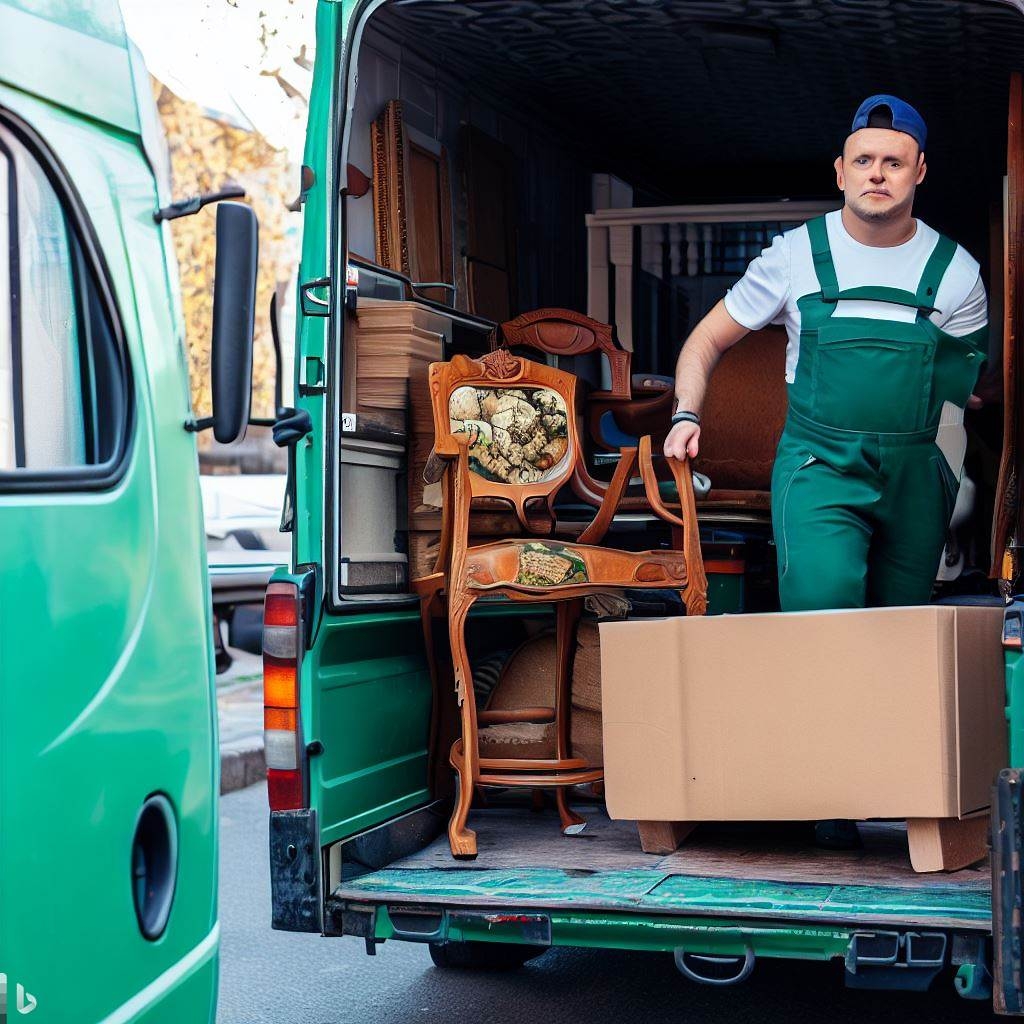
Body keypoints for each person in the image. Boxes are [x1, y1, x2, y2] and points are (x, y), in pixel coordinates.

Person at [664, 95, 989, 611]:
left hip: (916, 481)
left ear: (919, 171)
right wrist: (686, 413)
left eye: (893, 162)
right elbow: (706, 338)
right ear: (841, 172)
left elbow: (960, 400)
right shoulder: (793, 256)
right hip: (821, 467)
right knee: (824, 611)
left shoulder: (958, 274)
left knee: (901, 628)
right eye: (863, 161)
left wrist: (946, 477)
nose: (876, 175)